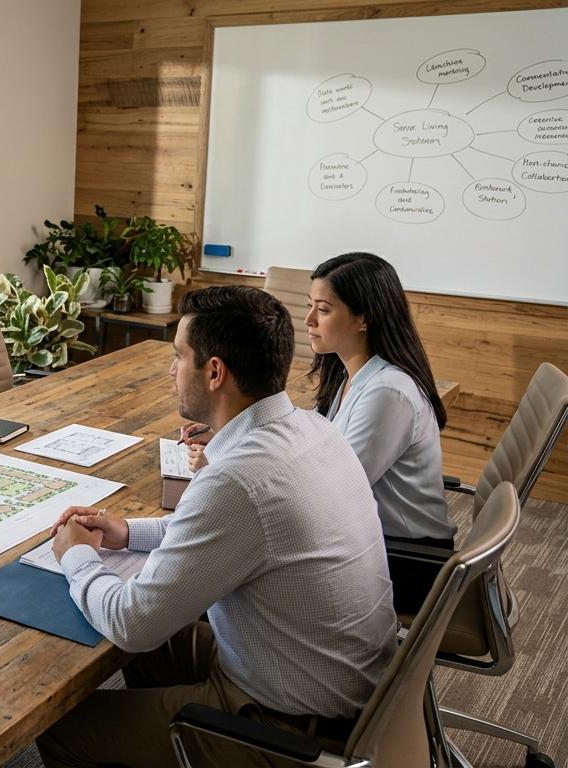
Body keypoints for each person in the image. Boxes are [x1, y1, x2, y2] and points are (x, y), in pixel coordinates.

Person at [36, 285, 397, 768]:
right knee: (157, 645)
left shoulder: (237, 480)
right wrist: (128, 532)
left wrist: (75, 554)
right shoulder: (312, 429)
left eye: (178, 356)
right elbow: (236, 535)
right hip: (338, 681)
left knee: (64, 726)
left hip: (287, 725)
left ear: (213, 372)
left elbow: (131, 623)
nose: (170, 371)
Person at [183, 253, 454, 614]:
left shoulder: (388, 392)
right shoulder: (349, 372)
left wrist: (221, 466)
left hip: (408, 560)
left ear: (363, 319)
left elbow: (328, 487)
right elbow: (310, 442)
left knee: (220, 571)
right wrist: (228, 432)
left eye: (323, 310)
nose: (308, 321)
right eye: (309, 307)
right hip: (375, 541)